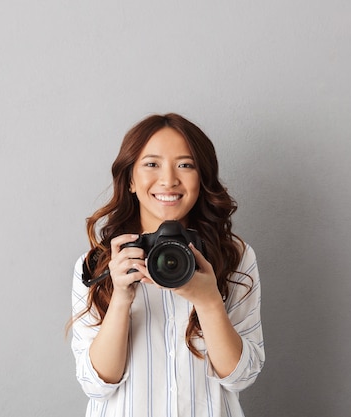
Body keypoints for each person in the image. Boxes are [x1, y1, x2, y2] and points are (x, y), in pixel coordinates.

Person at [70, 113, 264, 417]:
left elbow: (241, 377)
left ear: (202, 177)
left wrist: (208, 300)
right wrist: (121, 297)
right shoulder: (99, 263)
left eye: (185, 165)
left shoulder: (233, 256)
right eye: (151, 164)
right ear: (131, 179)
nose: (169, 179)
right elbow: (97, 386)